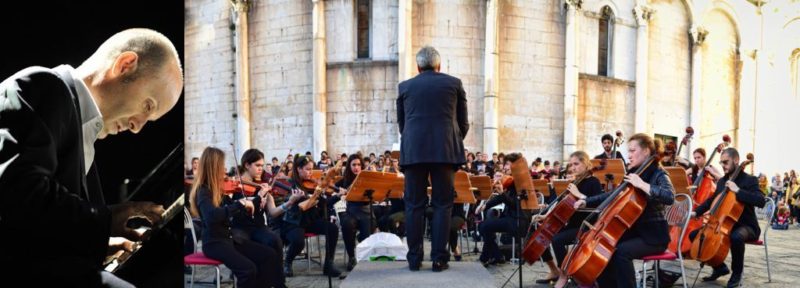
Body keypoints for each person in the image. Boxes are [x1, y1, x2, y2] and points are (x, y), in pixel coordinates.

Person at [0, 28, 182, 287]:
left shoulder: (84, 139)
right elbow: (16, 193)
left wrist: (92, 243)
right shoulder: (43, 84)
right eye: (148, 106)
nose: (137, 127)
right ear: (125, 65)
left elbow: (41, 225)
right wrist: (103, 220)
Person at [396, 46, 468, 272]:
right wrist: (451, 139)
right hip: (444, 150)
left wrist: (413, 142)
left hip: (414, 151)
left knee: (414, 205)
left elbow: (402, 125)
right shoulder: (454, 84)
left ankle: (414, 259)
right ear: (439, 66)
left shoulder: (405, 86)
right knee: (442, 205)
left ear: (418, 67)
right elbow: (463, 122)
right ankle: (439, 259)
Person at [570, 133, 675, 288]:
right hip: (636, 232)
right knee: (605, 248)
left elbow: (669, 196)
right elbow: (612, 194)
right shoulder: (634, 173)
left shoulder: (658, 173)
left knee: (621, 252)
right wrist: (586, 201)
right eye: (629, 151)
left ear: (646, 151)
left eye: (633, 151)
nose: (629, 155)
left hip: (653, 237)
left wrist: (642, 185)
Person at [188, 147, 286, 288]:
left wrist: (258, 199)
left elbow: (236, 209)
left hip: (228, 239)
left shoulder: (218, 190)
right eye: (221, 165)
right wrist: (240, 204)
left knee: (268, 255)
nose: (224, 169)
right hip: (214, 243)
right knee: (247, 270)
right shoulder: (203, 191)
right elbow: (212, 216)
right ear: (213, 167)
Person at [688, 148, 765, 288]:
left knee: (736, 237)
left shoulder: (750, 180)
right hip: (723, 224)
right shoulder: (722, 181)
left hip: (747, 226)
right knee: (695, 235)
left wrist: (738, 191)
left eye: (726, 162)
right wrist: (696, 212)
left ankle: (736, 274)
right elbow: (712, 200)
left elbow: (760, 201)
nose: (723, 165)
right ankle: (719, 267)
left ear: (736, 160)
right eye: (721, 162)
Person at [535, 151, 603, 285]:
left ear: (586, 164)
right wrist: (545, 215)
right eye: (571, 165)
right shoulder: (575, 182)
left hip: (586, 226)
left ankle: (564, 275)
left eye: (576, 164)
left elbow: (598, 204)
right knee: (542, 233)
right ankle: (557, 270)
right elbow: (562, 205)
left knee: (557, 240)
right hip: (572, 224)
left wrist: (578, 194)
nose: (573, 168)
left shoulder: (593, 181)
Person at [229, 148, 287, 285]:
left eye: (262, 165)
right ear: (247, 165)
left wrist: (289, 203)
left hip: (258, 227)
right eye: (258, 165)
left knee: (275, 240)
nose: (261, 169)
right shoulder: (234, 186)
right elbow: (230, 211)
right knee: (242, 244)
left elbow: (272, 212)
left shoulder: (261, 186)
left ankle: (278, 282)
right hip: (240, 227)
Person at [280, 155, 342, 277]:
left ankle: (328, 265)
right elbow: (289, 203)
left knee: (332, 229)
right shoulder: (291, 184)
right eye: (308, 169)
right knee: (298, 242)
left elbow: (323, 203)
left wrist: (337, 196)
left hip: (310, 220)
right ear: (298, 169)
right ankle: (287, 262)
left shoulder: (313, 185)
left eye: (311, 169)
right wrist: (300, 198)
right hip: (295, 222)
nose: (311, 173)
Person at [330, 154, 373, 271]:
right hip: (351, 211)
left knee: (370, 225)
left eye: (359, 165)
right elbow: (330, 190)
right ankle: (352, 257)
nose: (356, 167)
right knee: (347, 224)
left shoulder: (367, 179)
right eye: (354, 164)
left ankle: (363, 249)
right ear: (349, 166)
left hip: (365, 212)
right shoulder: (344, 181)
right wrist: (338, 194)